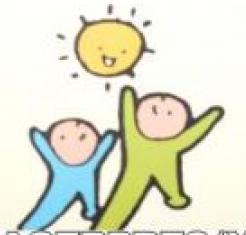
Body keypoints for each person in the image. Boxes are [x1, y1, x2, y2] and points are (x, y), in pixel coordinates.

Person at [92, 87, 224, 229]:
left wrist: (212, 115)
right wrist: (213, 115)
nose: (161, 113)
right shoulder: (135, 136)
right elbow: (128, 114)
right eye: (154, 110)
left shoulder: (154, 140)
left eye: (170, 114)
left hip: (146, 175)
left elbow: (197, 130)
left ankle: (175, 197)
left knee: (123, 203)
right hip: (136, 175)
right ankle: (175, 197)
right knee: (122, 203)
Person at [19, 118, 117, 229]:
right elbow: (42, 145)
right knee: (43, 214)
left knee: (44, 214)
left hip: (70, 189)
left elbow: (106, 143)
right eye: (62, 138)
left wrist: (91, 210)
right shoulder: (59, 164)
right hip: (59, 191)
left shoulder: (91, 163)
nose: (74, 144)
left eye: (82, 137)